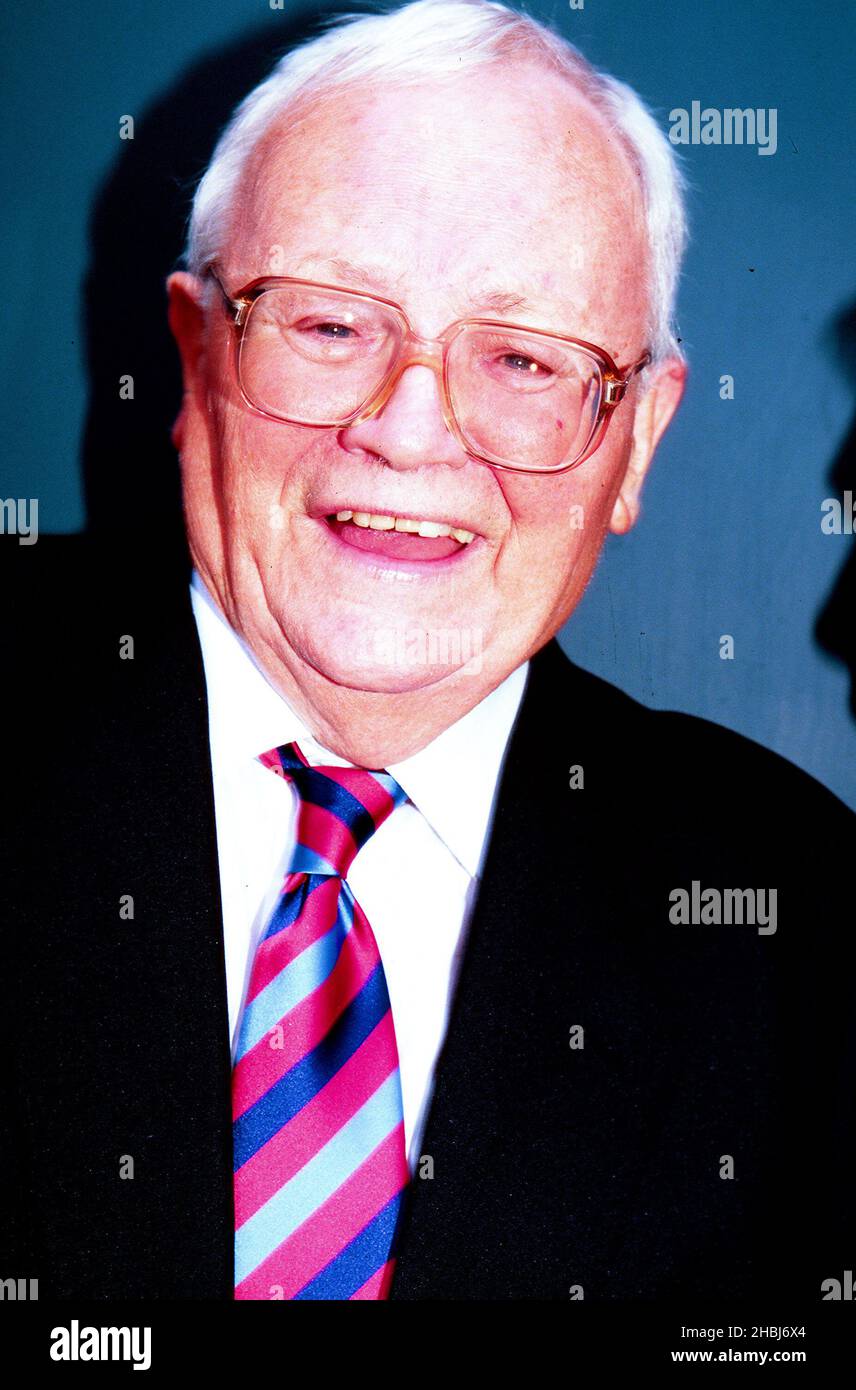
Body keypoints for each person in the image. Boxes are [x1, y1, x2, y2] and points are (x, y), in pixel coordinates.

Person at [3, 0, 853, 1302]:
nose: (408, 433)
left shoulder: (808, 920)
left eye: (520, 356)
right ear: (193, 354)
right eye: (332, 325)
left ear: (636, 441)